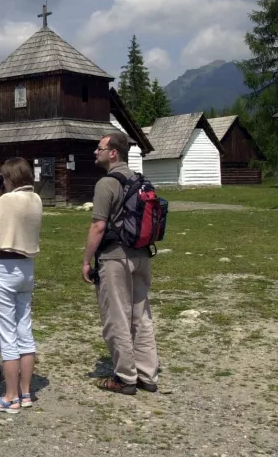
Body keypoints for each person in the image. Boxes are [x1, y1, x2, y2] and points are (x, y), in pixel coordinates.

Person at [82, 132, 159, 395]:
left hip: (115, 257)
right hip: (141, 254)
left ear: (113, 152)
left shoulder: (107, 183)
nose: (95, 152)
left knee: (116, 316)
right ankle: (147, 375)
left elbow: (98, 225)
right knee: (141, 315)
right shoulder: (139, 180)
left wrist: (85, 260)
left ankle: (125, 377)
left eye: (99, 147)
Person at [0, 157, 43, 414]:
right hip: (26, 267)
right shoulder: (36, 200)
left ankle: (10, 397)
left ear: (10, 179)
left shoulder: (5, 201)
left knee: (7, 334)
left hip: (3, 266)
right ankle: (26, 393)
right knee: (24, 331)